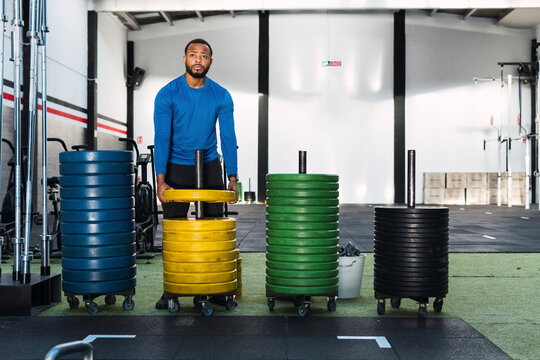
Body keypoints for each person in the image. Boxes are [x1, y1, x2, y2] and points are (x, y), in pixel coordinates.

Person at [153, 38, 239, 309]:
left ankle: (213, 289)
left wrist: (233, 178)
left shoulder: (221, 95)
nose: (198, 59)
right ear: (185, 59)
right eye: (193, 54)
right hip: (177, 167)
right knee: (174, 233)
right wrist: (161, 180)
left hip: (210, 166)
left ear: (210, 62)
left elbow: (228, 137)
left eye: (204, 55)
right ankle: (172, 291)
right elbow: (162, 137)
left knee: (213, 230)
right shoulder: (167, 94)